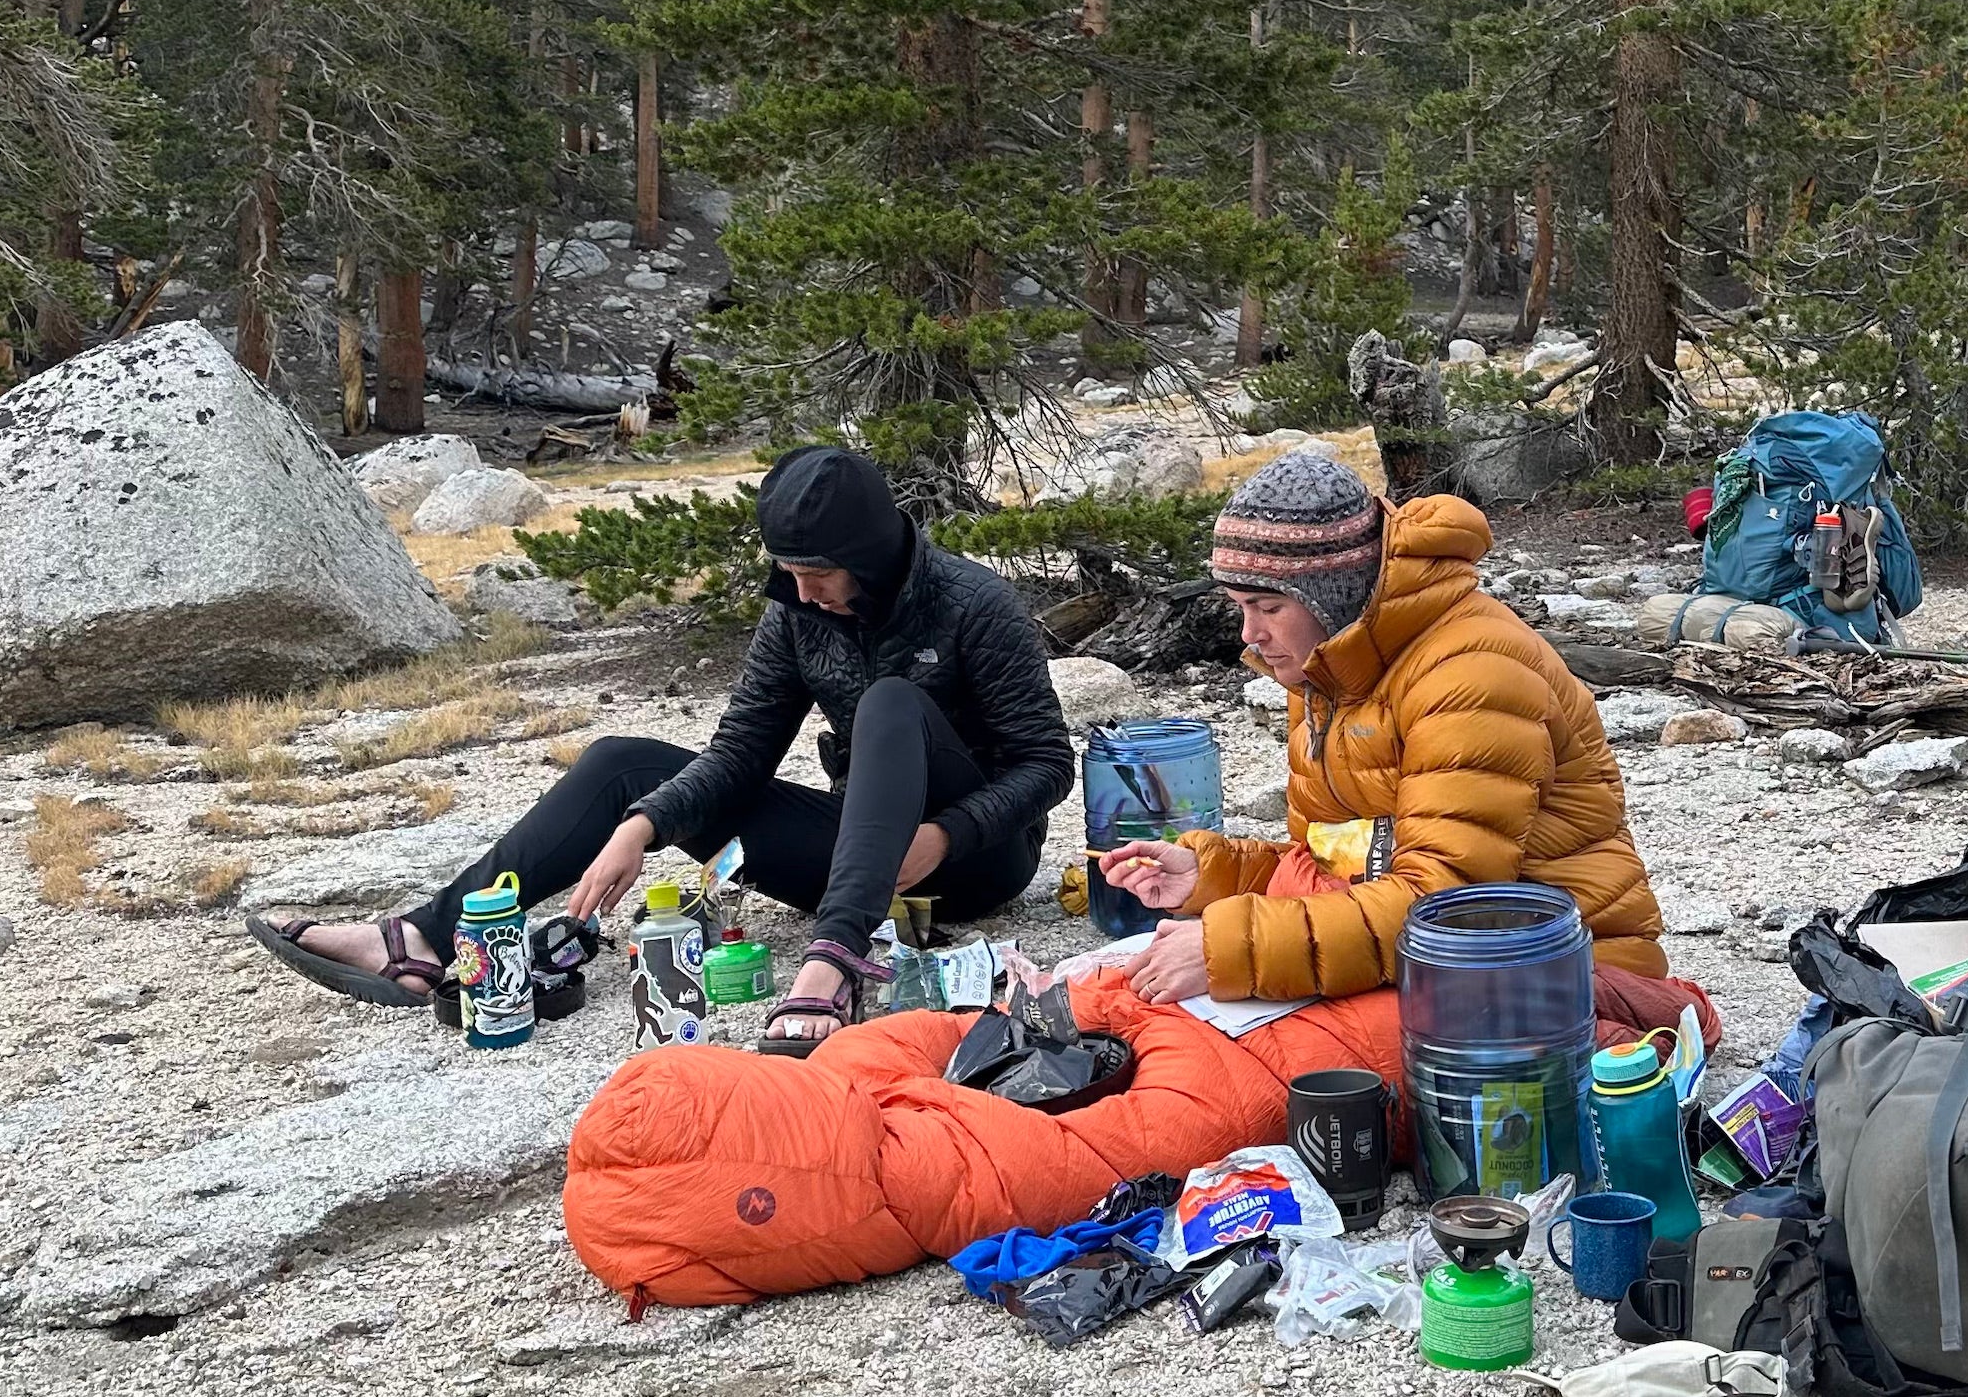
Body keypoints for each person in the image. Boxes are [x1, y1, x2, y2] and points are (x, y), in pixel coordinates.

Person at [249, 445, 1073, 1044]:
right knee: (623, 764)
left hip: (974, 859)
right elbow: (742, 752)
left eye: (815, 573)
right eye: (785, 570)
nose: (797, 590)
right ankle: (428, 937)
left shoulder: (973, 603)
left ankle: (834, 964)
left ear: (866, 556)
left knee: (893, 702)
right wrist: (642, 827)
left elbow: (1046, 765)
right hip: (865, 852)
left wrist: (947, 835)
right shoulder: (795, 613)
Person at [1094, 451, 1666, 1006]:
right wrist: (1215, 874)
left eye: (1268, 608)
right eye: (1239, 606)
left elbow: (1442, 903)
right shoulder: (1332, 669)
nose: (1250, 634)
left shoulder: (1470, 674)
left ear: (1334, 595)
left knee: (1238, 1073)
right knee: (1128, 1015)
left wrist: (1230, 949)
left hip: (1556, 978)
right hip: (1445, 958)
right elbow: (1344, 865)